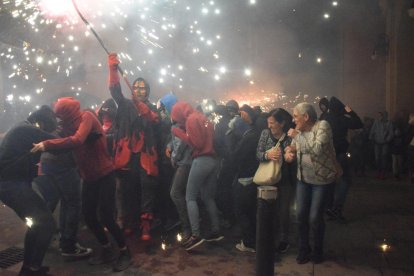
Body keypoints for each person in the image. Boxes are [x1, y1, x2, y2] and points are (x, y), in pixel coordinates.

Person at [31, 97, 132, 272]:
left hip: (105, 173)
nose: (59, 120)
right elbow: (60, 137)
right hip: (89, 177)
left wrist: (46, 145)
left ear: (69, 113)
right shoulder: (67, 126)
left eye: (61, 116)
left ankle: (125, 252)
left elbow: (77, 140)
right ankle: (106, 247)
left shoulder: (87, 117)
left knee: (106, 216)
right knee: (89, 215)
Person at [107, 53, 160, 241]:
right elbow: (115, 91)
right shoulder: (127, 105)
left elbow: (159, 122)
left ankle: (146, 226)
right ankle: (129, 223)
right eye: (136, 87)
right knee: (127, 190)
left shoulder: (152, 107)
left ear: (147, 91)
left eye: (143, 88)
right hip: (128, 156)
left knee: (147, 191)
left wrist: (148, 113)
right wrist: (113, 70)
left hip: (147, 156)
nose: (139, 90)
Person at [29, 106, 92, 259]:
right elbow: (73, 142)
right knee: (73, 203)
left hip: (47, 165)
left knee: (64, 202)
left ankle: (62, 239)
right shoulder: (64, 125)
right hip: (62, 165)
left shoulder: (55, 122)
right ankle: (68, 246)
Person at [0, 110, 56, 276]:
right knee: (47, 224)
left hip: (11, 185)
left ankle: (29, 267)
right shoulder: (26, 129)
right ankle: (32, 270)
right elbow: (57, 142)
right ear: (42, 122)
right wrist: (82, 137)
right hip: (11, 185)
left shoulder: (21, 126)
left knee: (37, 224)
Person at [285, 102, 339, 264]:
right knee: (300, 215)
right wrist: (288, 153)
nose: (293, 120)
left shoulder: (323, 126)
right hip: (303, 179)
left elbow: (316, 149)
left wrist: (297, 136)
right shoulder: (300, 132)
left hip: (321, 181)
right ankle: (303, 248)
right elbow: (292, 147)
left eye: (295, 116)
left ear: (306, 116)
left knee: (315, 217)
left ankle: (317, 250)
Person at [170, 101, 223, 251]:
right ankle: (216, 231)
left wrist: (179, 133)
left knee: (190, 197)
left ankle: (195, 235)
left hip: (202, 160)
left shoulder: (191, 119)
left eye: (176, 117)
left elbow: (197, 144)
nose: (178, 121)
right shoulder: (203, 117)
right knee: (208, 197)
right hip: (213, 160)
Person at [256, 108, 296, 255]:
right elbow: (258, 153)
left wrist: (288, 155)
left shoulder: (289, 138)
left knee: (284, 211)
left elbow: (291, 155)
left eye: (272, 123)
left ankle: (284, 240)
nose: (269, 126)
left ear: (282, 123)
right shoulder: (265, 134)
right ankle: (268, 238)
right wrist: (268, 154)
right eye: (268, 122)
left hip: (284, 180)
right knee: (267, 210)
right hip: (267, 179)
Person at [323, 97, 362, 221]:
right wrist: (349, 111)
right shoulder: (342, 119)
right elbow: (358, 123)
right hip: (340, 153)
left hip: (326, 153)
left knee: (329, 180)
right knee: (345, 179)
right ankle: (336, 208)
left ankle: (328, 207)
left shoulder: (325, 118)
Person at [228, 116, 260, 253]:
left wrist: (229, 140)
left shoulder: (247, 139)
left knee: (242, 211)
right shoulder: (254, 134)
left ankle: (248, 243)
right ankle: (254, 240)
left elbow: (234, 158)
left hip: (245, 179)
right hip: (253, 177)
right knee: (251, 212)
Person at [369, 111, 394, 179]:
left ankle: (383, 172)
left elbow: (391, 133)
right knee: (377, 158)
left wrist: (387, 140)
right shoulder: (376, 122)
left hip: (384, 143)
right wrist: (371, 138)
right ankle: (378, 171)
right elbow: (372, 130)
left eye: (382, 115)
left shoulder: (389, 123)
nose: (380, 117)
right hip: (377, 143)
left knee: (384, 158)